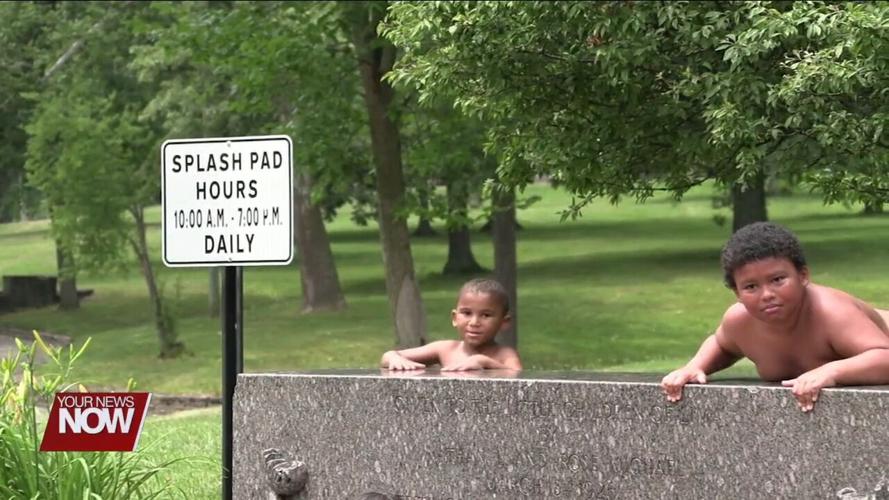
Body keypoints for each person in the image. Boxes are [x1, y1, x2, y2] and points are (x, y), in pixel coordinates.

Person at [661, 222, 889, 412]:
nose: (767, 295)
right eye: (751, 286)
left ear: (803, 275)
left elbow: (884, 356)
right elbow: (722, 344)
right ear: (737, 293)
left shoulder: (832, 313)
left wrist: (831, 371)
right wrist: (695, 366)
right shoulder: (740, 322)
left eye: (778, 280)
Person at [380, 278, 522, 371]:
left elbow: (519, 379)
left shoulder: (505, 355)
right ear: (455, 318)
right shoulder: (445, 349)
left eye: (486, 315)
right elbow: (388, 355)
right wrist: (394, 358)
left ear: (504, 322)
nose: (474, 323)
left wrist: (484, 362)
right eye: (466, 313)